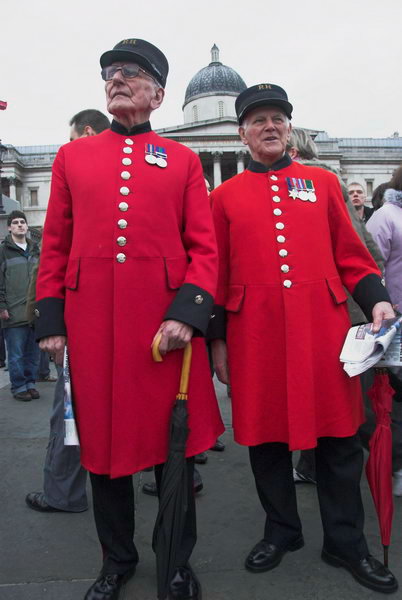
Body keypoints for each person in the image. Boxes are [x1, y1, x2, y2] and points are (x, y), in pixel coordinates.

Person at [35, 38, 223, 600]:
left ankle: (177, 563)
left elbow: (204, 248)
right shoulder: (72, 157)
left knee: (174, 458)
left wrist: (188, 315)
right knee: (104, 456)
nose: (117, 79)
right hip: (92, 330)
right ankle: (116, 562)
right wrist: (50, 319)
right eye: (111, 72)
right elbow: (55, 245)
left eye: (132, 73)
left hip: (164, 333)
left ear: (159, 94)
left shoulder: (186, 160)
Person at [209, 83, 398, 594]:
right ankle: (282, 530)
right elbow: (216, 273)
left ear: (289, 129)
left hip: (324, 332)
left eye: (278, 119)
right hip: (256, 336)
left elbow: (352, 256)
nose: (270, 126)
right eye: (258, 120)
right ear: (242, 133)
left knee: (340, 440)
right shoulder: (222, 197)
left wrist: (378, 297)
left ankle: (345, 542)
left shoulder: (322, 183)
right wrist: (218, 342)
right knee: (266, 441)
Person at [287, 128, 385, 485]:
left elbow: (358, 245)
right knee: (321, 391)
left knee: (355, 397)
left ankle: (387, 459)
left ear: (293, 150)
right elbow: (370, 245)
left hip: (341, 308)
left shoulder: (322, 183)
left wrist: (374, 293)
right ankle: (310, 465)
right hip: (326, 307)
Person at [25, 109, 110, 514]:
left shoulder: (78, 174)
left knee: (69, 408)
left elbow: (56, 254)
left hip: (85, 316)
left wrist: (53, 323)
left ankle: (63, 492)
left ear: (87, 133)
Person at [366, 166, 402, 497]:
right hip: (395, 320)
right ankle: (395, 464)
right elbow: (370, 266)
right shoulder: (386, 217)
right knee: (394, 390)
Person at [0, 211, 40, 401]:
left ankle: (30, 383)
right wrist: (2, 306)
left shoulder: (35, 249)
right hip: (13, 312)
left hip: (34, 311)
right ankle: (18, 387)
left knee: (33, 353)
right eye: (15, 223)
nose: (19, 225)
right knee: (15, 354)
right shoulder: (3, 251)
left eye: (22, 222)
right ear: (9, 227)